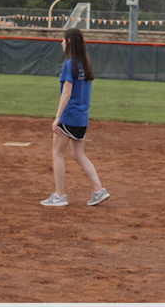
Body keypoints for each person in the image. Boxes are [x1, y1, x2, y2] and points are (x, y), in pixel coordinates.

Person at [41, 28, 110, 207]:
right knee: (78, 154)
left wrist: (57, 118)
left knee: (57, 153)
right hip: (82, 117)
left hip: (69, 116)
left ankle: (59, 195)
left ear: (69, 42)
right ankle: (98, 189)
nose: (61, 43)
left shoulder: (70, 64)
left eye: (63, 40)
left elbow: (66, 93)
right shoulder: (85, 63)